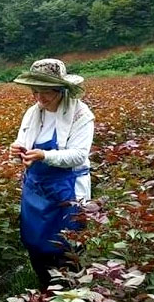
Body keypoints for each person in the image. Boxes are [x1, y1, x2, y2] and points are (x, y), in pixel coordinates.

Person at [9, 58, 94, 290]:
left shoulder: (80, 114)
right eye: (35, 91)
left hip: (66, 189)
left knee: (66, 245)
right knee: (35, 243)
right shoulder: (33, 113)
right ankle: (46, 290)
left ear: (62, 89)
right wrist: (18, 148)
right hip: (36, 189)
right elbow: (23, 140)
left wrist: (45, 156)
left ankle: (71, 297)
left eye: (46, 92)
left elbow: (78, 155)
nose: (40, 98)